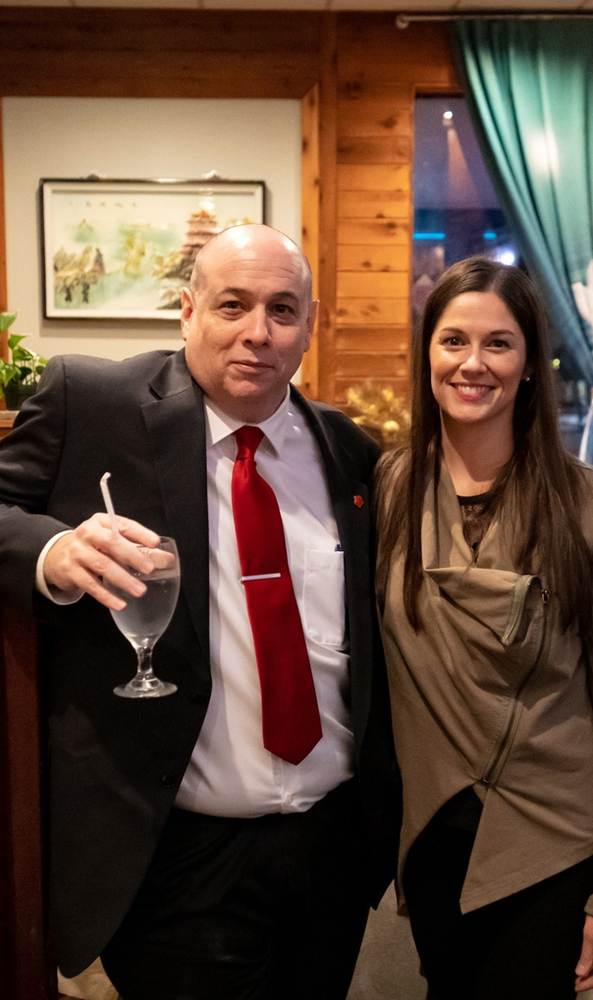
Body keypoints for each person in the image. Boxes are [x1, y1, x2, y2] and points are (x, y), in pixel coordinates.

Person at [0, 224, 400, 1000]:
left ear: (310, 327)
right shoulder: (92, 403)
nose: (258, 332)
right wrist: (51, 553)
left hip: (330, 847)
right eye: (233, 305)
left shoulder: (349, 451)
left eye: (283, 310)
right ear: (187, 312)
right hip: (174, 849)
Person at [375, 256, 593, 1000]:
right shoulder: (386, 489)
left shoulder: (581, 505)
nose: (473, 363)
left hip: (555, 843)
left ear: (530, 364)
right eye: (453, 340)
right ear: (426, 354)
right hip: (432, 831)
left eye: (498, 343)